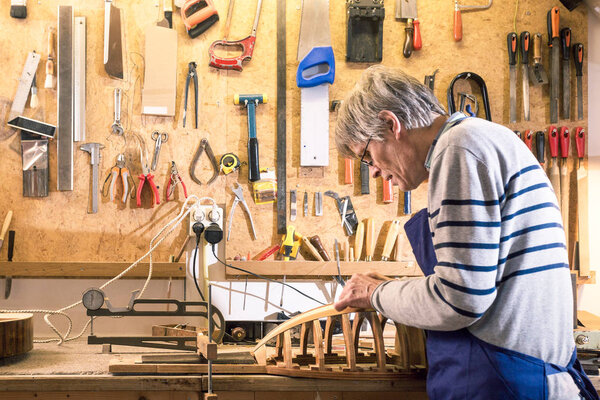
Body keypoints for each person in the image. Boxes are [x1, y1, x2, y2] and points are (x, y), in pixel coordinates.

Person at [333, 65, 597, 400]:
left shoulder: (458, 149)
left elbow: (460, 299)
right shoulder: (481, 138)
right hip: (519, 373)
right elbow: (470, 284)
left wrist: (375, 295)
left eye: (367, 156)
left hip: (507, 381)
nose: (373, 173)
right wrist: (388, 289)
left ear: (390, 124)